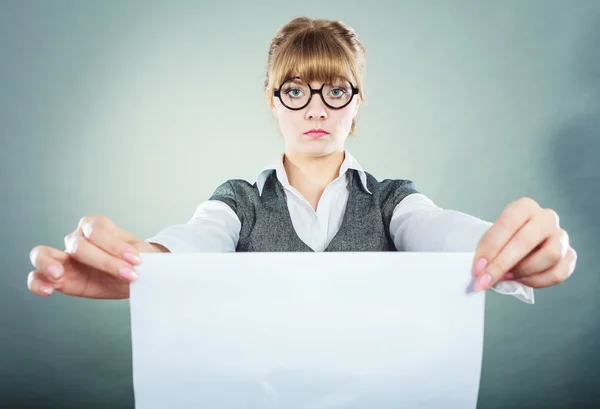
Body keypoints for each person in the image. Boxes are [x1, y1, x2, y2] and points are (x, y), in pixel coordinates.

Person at [27, 17, 576, 304]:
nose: (316, 107)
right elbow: (197, 239)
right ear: (272, 100)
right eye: (295, 90)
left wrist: (503, 249)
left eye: (335, 90)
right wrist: (147, 262)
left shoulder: (392, 200)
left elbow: (434, 228)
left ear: (357, 101)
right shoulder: (238, 201)